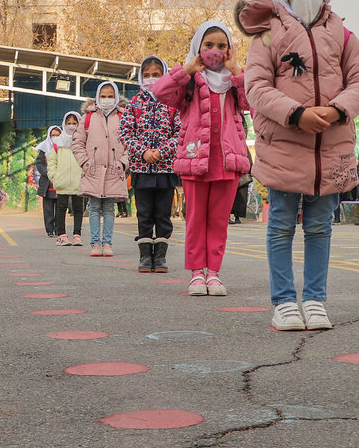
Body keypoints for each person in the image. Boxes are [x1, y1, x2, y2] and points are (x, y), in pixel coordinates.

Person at [239, 0, 359, 329]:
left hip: (331, 148)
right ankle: (283, 302)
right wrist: (296, 113)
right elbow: (256, 87)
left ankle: (315, 300)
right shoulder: (267, 35)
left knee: (320, 227)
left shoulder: (344, 34)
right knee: (281, 224)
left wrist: (336, 110)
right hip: (284, 145)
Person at [154, 23, 251, 295]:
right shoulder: (188, 82)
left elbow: (253, 102)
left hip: (227, 161)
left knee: (219, 220)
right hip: (196, 160)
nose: (215, 51)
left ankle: (214, 273)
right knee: (196, 219)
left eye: (222, 46)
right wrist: (186, 70)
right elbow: (160, 91)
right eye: (208, 45)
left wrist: (236, 72)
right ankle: (197, 273)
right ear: (198, 48)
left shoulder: (235, 80)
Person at [119, 56, 181, 272]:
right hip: (141, 169)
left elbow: (181, 132)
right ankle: (145, 257)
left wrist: (162, 152)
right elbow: (125, 133)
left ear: (165, 75)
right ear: (140, 77)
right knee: (144, 214)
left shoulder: (174, 102)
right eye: (147, 75)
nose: (151, 79)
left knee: (163, 214)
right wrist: (143, 152)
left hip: (165, 170)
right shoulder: (134, 103)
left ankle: (161, 258)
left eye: (157, 74)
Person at [72, 81, 128, 257]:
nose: (106, 99)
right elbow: (77, 142)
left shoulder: (123, 117)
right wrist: (85, 162)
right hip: (93, 170)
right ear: (97, 97)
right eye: (103, 96)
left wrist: (122, 164)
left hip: (114, 170)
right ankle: (95, 244)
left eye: (110, 96)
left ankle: (107, 243)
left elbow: (131, 144)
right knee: (94, 207)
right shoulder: (87, 117)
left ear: (116, 97)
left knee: (110, 208)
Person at [47, 112, 84, 245]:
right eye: (69, 123)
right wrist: (54, 177)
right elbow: (51, 162)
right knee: (60, 208)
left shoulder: (83, 142)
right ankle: (61, 235)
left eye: (75, 123)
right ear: (64, 124)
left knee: (79, 209)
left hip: (78, 182)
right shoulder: (57, 143)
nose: (71, 126)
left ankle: (77, 235)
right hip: (61, 182)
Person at [34, 126, 63, 237]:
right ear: (49, 136)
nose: (55, 137)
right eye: (53, 135)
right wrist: (48, 172)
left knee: (59, 209)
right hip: (47, 185)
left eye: (57, 135)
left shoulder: (64, 148)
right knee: (48, 210)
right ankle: (49, 230)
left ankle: (58, 230)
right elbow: (39, 163)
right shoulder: (44, 149)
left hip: (60, 184)